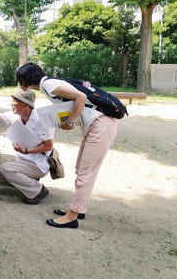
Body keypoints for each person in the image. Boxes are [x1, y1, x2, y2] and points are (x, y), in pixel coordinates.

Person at [16, 62, 118, 229]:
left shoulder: (48, 84)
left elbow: (81, 97)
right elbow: (79, 103)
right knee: (80, 168)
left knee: (85, 172)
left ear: (26, 78)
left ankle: (73, 216)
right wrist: (69, 121)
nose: (20, 83)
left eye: (20, 79)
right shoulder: (49, 84)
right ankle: (79, 208)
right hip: (96, 125)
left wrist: (69, 120)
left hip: (101, 125)